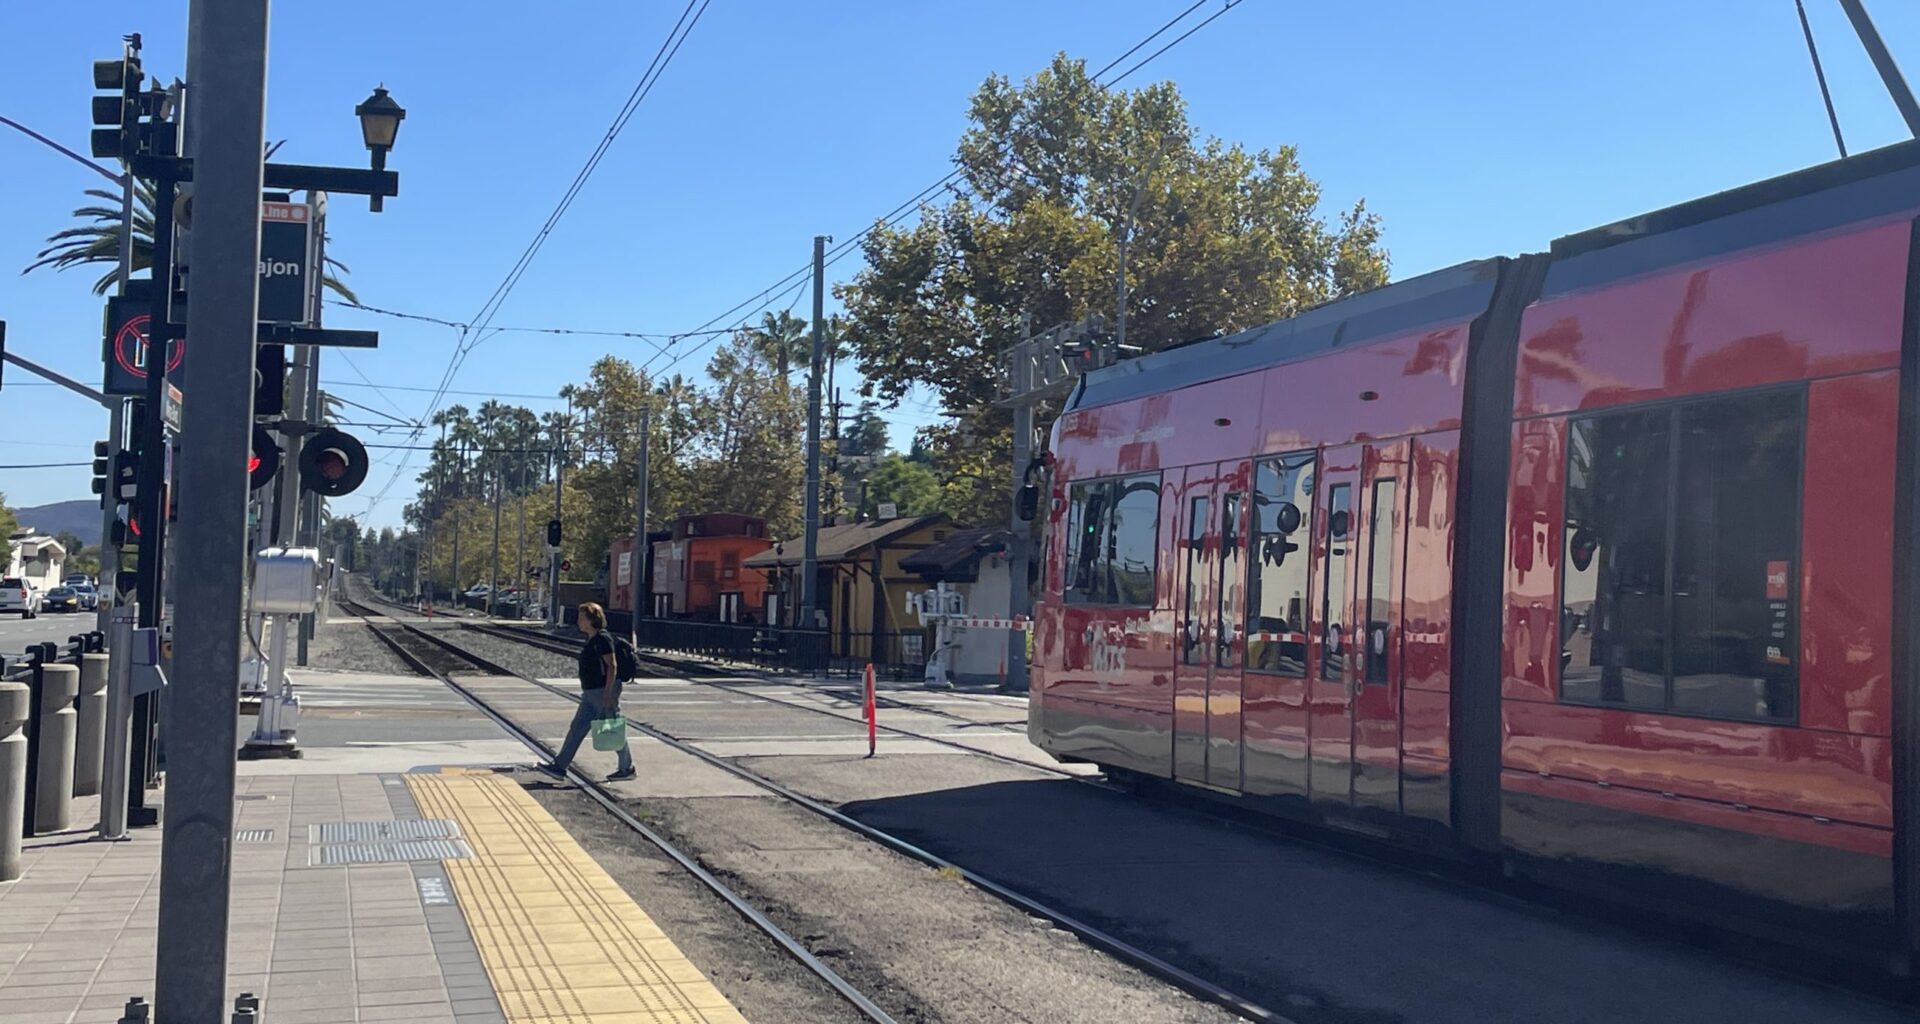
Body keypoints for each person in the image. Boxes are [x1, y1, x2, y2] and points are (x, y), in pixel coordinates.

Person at [535, 601, 636, 782]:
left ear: (592, 620)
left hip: (601, 692)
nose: (578, 621)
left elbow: (612, 666)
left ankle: (626, 768)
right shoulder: (591, 639)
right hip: (591, 693)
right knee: (577, 729)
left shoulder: (602, 639)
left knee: (611, 730)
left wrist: (608, 693)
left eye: (582, 618)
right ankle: (559, 766)